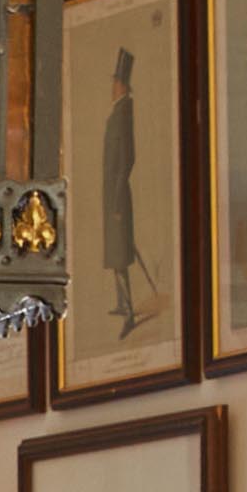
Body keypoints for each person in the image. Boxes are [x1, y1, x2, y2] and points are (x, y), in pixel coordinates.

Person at [96, 33, 155, 340]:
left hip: (118, 199)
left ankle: (130, 311)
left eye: (116, 81)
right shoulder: (117, 112)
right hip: (111, 197)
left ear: (123, 85)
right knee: (116, 253)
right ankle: (121, 302)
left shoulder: (124, 114)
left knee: (120, 256)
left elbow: (126, 159)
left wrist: (117, 201)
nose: (112, 86)